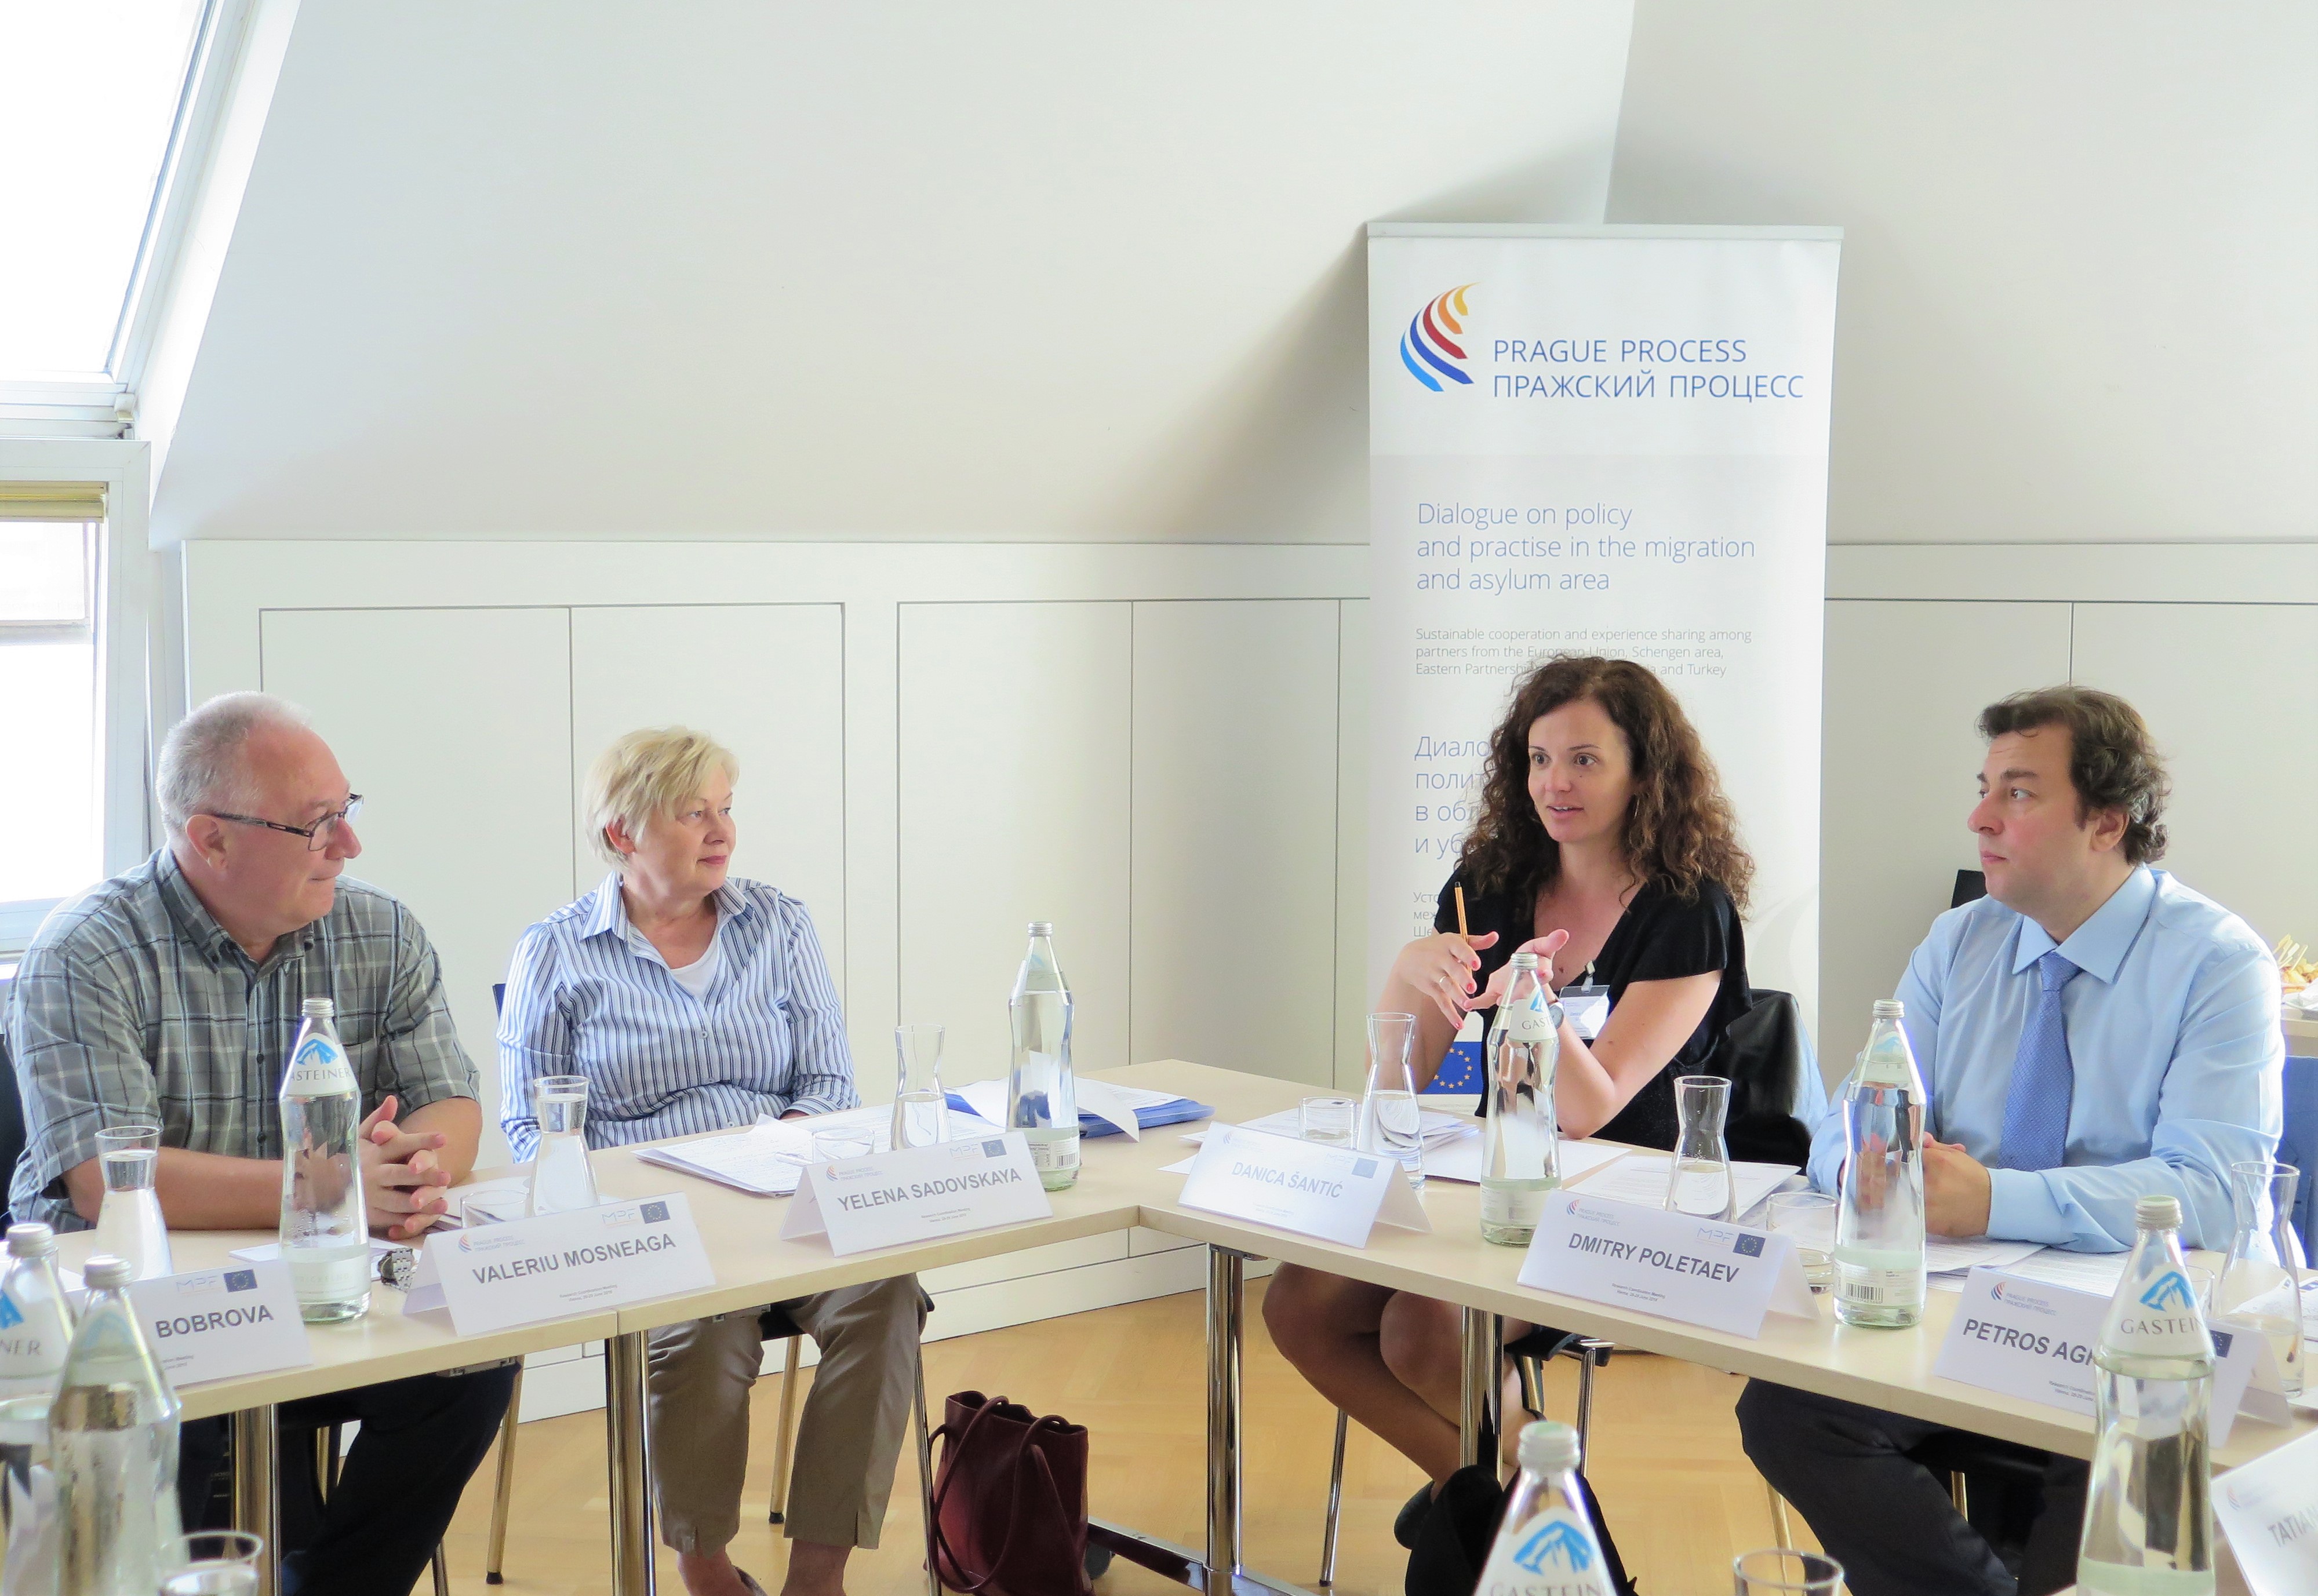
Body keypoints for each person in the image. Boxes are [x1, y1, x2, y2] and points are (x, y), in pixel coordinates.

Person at [1738, 685, 2284, 1596]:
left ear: (2107, 821)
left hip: (2143, 1332)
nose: (1980, 818)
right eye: (1984, 788)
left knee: (2110, 1462)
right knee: (1789, 1409)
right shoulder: (1961, 940)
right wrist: (1869, 1170)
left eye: (2019, 793)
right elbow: (1847, 1118)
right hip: (1968, 1305)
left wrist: (1992, 1198)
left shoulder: (2219, 962)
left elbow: (2215, 1192)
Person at [3, 691, 515, 1596]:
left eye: (347, 811)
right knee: (178, 1401)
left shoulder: (381, 929)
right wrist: (333, 1184)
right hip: (134, 1303)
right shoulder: (86, 950)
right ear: (212, 838)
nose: (349, 845)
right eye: (318, 824)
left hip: (329, 1279)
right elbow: (105, 1180)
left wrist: (414, 1166)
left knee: (469, 1361)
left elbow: (454, 1103)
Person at [1263, 655, 1757, 1538]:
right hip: (1504, 1185)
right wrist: (1408, 974)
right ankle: (1502, 1498)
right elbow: (1400, 1081)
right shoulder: (1491, 880)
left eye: (1584, 760)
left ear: (1644, 772)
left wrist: (1533, 995)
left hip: (1632, 1198)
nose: (1554, 783)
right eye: (1538, 759)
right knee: (1298, 1304)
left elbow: (1589, 1109)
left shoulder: (1690, 907)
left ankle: (1540, 1521)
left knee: (1423, 1329)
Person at [498, 726, 922, 1596]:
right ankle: (705, 1566)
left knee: (886, 1293)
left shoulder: (779, 923)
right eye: (693, 813)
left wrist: (777, 1154)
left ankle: (818, 1577)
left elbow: (830, 1083)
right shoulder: (557, 950)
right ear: (622, 833)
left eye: (725, 809)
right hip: (658, 1229)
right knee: (706, 1325)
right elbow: (531, 1129)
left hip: (786, 1206)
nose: (722, 830)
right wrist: (625, 1196)